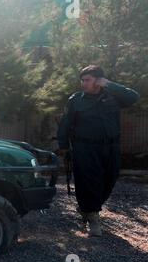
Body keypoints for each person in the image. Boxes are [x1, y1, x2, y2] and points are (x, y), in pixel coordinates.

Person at [57, 65, 140, 237]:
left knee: (110, 178)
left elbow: (133, 97)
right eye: (82, 80)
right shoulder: (76, 100)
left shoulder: (113, 96)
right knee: (88, 180)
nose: (83, 83)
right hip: (85, 147)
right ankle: (93, 217)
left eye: (87, 80)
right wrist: (63, 146)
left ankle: (87, 208)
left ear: (99, 80)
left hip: (111, 146)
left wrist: (110, 84)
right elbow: (65, 124)